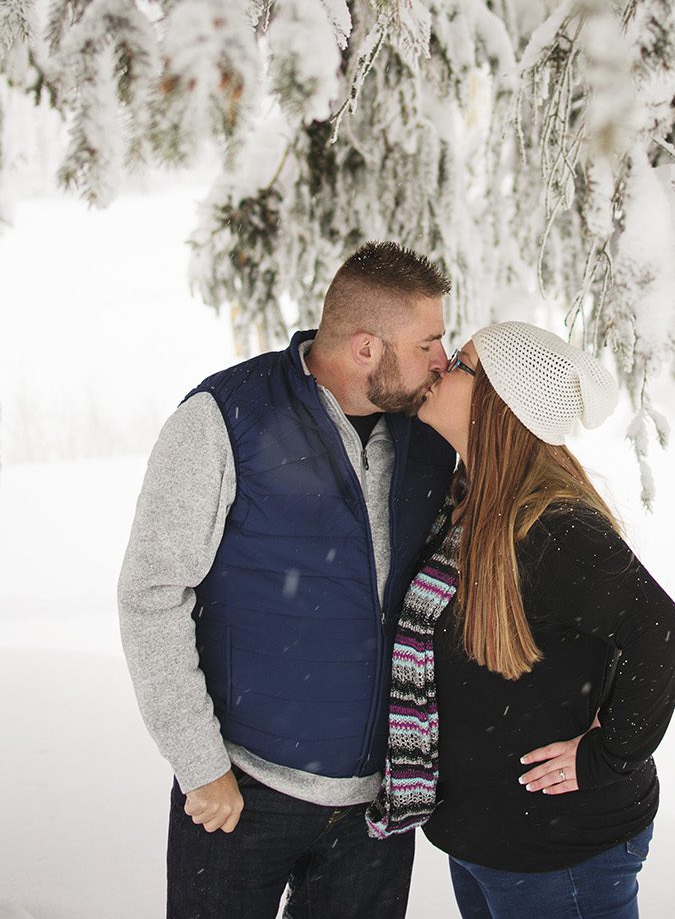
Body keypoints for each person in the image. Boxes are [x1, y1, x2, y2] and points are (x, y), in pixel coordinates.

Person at [118, 241, 457, 919]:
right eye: (429, 343)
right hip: (241, 794)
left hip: (377, 811)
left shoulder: (430, 432)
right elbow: (151, 593)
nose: (442, 362)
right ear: (367, 348)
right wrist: (200, 762)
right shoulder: (226, 417)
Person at [366, 321, 675, 919]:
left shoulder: (553, 527)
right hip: (487, 844)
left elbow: (661, 632)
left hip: (562, 856)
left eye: (459, 364)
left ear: (499, 401)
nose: (440, 368)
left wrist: (608, 755)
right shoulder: (471, 505)